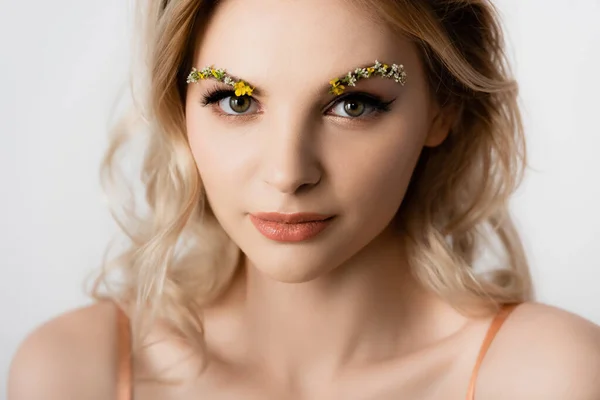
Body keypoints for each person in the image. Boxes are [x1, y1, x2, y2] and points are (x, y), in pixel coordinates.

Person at [8, 0, 600, 399]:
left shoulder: (546, 375)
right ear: (178, 109)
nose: (287, 172)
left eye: (353, 103)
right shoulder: (72, 371)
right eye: (236, 101)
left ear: (441, 108)